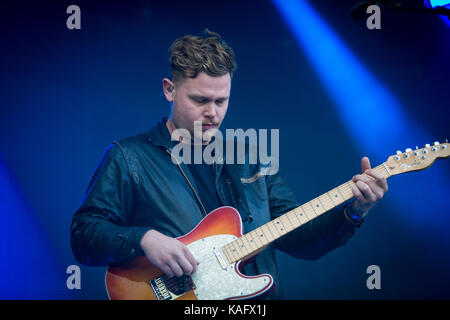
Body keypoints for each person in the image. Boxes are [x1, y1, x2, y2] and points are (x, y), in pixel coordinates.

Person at [71, 29, 388, 299]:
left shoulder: (253, 160)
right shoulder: (129, 157)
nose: (213, 112)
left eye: (221, 101)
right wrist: (143, 238)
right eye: (200, 100)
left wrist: (353, 212)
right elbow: (84, 235)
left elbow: (301, 240)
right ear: (170, 89)